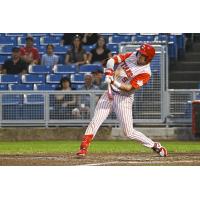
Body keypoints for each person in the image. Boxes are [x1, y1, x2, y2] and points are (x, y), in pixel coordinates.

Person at [76, 43, 168, 157]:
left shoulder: (145, 73)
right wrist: (109, 72)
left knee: (128, 132)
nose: (139, 55)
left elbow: (129, 88)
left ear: (148, 58)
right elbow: (111, 60)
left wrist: (114, 82)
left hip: (124, 98)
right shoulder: (132, 55)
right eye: (139, 53)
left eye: (142, 55)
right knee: (96, 120)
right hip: (109, 93)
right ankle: (83, 147)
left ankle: (154, 145)